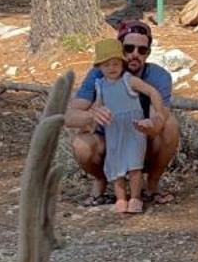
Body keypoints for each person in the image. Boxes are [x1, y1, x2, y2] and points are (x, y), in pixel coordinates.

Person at [65, 18, 180, 207]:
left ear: (148, 53)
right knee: (81, 144)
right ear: (120, 48)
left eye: (141, 50)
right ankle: (101, 181)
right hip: (111, 140)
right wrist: (91, 115)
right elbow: (69, 115)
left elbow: (160, 114)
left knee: (170, 126)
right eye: (129, 48)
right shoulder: (99, 75)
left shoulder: (158, 76)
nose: (135, 54)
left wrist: (151, 125)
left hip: (141, 139)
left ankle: (152, 185)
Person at [88, 37, 164, 214]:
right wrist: (93, 119)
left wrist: (157, 114)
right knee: (116, 166)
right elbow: (97, 106)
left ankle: (136, 197)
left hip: (133, 129)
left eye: (115, 64)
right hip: (113, 130)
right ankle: (121, 199)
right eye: (106, 65)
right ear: (99, 67)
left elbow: (151, 91)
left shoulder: (128, 80)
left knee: (134, 165)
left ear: (122, 63)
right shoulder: (100, 85)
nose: (111, 68)